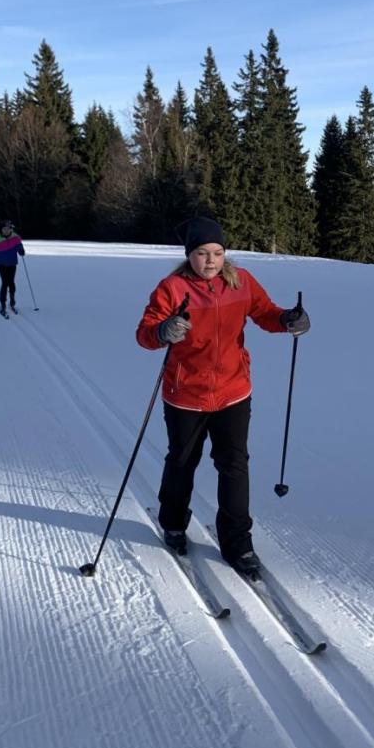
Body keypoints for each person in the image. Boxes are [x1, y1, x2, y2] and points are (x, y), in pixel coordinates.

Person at [136, 216, 310, 577]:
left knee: (234, 466)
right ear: (189, 255)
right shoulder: (172, 288)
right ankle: (173, 523)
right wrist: (163, 330)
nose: (210, 260)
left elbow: (266, 313)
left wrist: (289, 320)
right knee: (182, 462)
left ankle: (238, 543)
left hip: (233, 392)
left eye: (217, 252)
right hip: (186, 394)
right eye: (202, 253)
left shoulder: (241, 281)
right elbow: (145, 333)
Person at [0, 220, 25, 316]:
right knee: (5, 282)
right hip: (1, 264)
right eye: (4, 228)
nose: (6, 230)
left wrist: (21, 251)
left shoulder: (15, 237)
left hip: (12, 264)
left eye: (8, 228)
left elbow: (20, 247)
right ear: (1, 229)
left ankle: (12, 300)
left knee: (11, 282)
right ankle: (2, 304)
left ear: (11, 229)